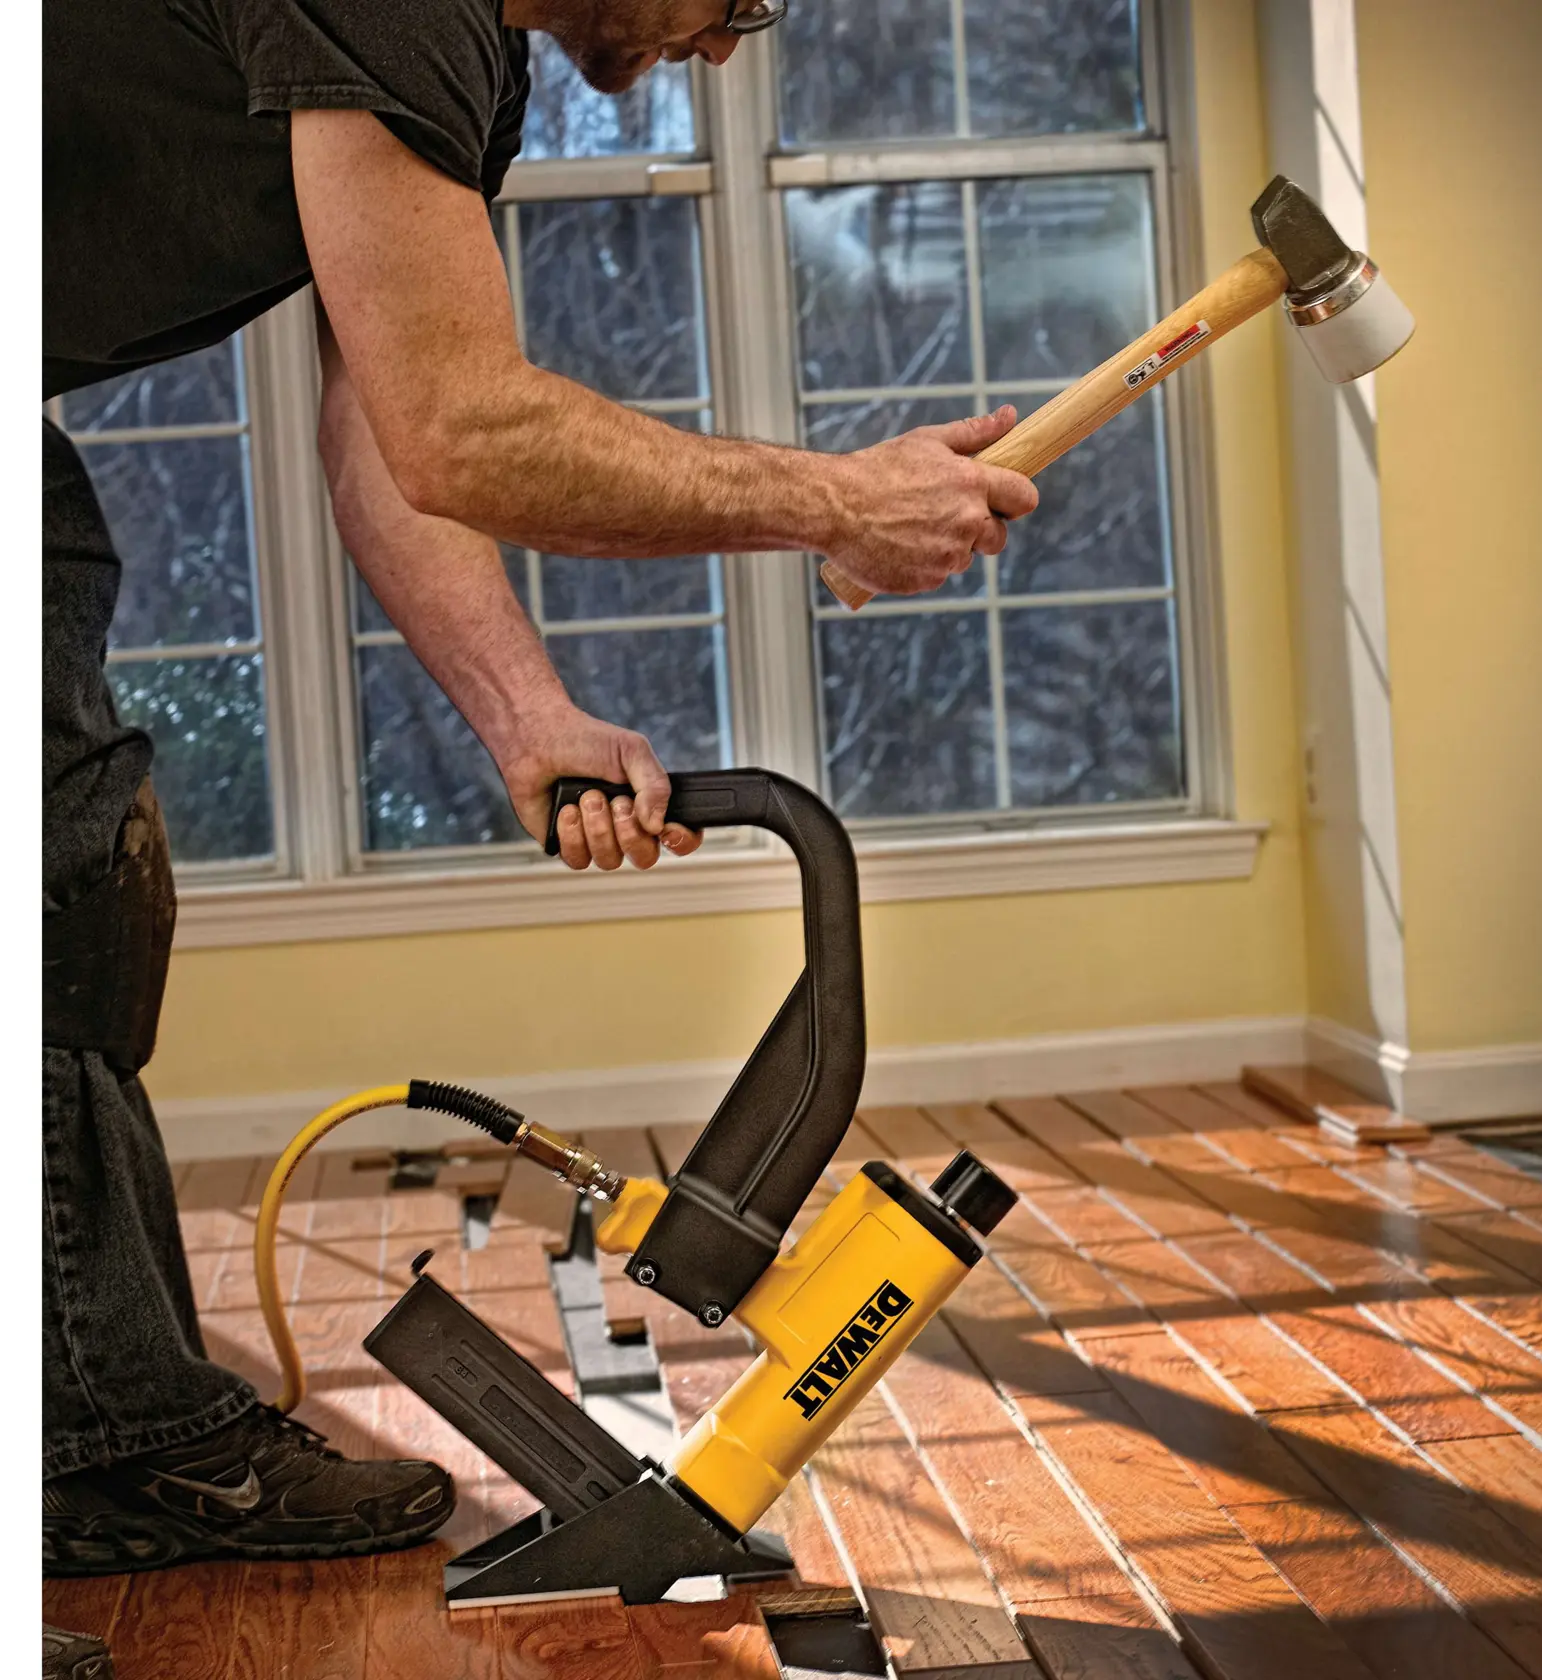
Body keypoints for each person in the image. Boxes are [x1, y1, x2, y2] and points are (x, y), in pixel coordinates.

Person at [43, 2, 1036, 1672]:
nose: (734, 44)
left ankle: (107, 1433)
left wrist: (524, 716)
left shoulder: (459, 60)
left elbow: (389, 428)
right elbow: (461, 425)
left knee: (70, 881)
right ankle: (108, 1446)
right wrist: (837, 500)